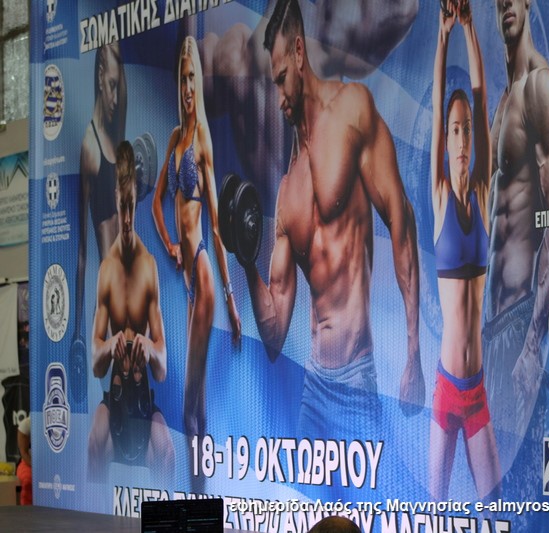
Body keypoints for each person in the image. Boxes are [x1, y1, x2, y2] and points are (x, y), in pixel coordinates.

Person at [242, 0, 424, 439]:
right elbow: (274, 335)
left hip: (357, 380)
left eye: (281, 79)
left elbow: (401, 220)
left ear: (299, 53)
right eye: (273, 84)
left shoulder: (351, 111)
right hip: (315, 385)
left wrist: (414, 353)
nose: (279, 98)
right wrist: (246, 260)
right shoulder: (288, 190)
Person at [195, 0, 419, 210]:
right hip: (230, 108)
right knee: (232, 50)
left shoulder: (328, 104)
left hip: (262, 181)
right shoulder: (300, 17)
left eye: (361, 6)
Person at [483, 0, 549, 468]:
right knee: (491, 481)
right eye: (497, 1)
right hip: (491, 326)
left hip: (519, 324)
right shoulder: (503, 102)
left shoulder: (540, 87)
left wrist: (534, 341)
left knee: (517, 474)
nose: (505, 5)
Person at [152, 36, 242, 492]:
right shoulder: (175, 139)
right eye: (182, 78)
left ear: (199, 83)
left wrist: (230, 298)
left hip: (204, 276)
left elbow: (219, 227)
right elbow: (156, 203)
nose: (187, 87)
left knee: (189, 407)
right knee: (197, 409)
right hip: (188, 282)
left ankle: (196, 498)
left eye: (193, 77)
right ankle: (202, 498)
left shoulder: (201, 137)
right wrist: (169, 244)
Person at [428, 0, 500, 501]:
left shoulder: (482, 192)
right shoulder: (439, 198)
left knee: (496, 506)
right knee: (433, 511)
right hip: (446, 388)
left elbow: (480, 97)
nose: (460, 138)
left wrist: (471, 31)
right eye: (454, 129)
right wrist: (443, 36)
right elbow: (439, 103)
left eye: (466, 128)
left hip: (476, 392)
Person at [87, 141, 174, 484]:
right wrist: (109, 346)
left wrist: (148, 347)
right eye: (122, 206)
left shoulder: (149, 266)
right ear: (116, 198)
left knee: (167, 452)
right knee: (94, 443)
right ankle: (91, 511)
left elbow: (162, 369)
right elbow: (96, 365)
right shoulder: (107, 270)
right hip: (115, 401)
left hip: (142, 403)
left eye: (131, 207)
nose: (126, 219)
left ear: (137, 201)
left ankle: (164, 514)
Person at [75, 43, 127, 357]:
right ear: (98, 78)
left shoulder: (116, 136)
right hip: (109, 297)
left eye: (118, 87)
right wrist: (77, 334)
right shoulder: (90, 148)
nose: (115, 98)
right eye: (110, 86)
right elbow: (83, 251)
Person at [16, 415, 32, 505]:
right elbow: (24, 453)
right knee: (27, 481)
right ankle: (26, 510)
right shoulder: (26, 424)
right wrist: (37, 469)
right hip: (28, 464)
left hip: (48, 466)